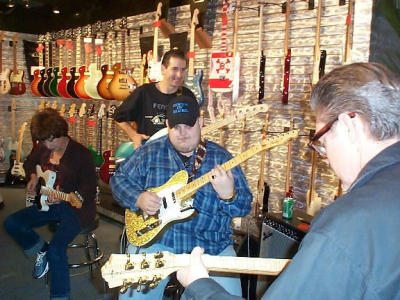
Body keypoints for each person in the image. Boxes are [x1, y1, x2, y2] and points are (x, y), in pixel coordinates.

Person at [176, 62, 400, 299]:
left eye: (322, 144)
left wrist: (199, 285)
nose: (326, 159)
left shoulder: (347, 224)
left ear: (348, 126)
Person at [110, 95, 253, 299]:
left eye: (189, 125)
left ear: (201, 122)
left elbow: (244, 206)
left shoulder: (221, 158)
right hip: (157, 242)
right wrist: (138, 198)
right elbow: (119, 180)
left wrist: (228, 195)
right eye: (176, 126)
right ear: (167, 125)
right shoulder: (150, 152)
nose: (183, 133)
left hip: (211, 246)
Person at [3, 108, 97, 300]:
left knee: (57, 250)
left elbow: (89, 188)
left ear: (61, 133)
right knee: (11, 223)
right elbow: (30, 163)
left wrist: (67, 196)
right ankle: (41, 250)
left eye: (49, 140)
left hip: (76, 209)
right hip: (48, 203)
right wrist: (32, 177)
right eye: (43, 141)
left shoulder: (81, 154)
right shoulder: (44, 147)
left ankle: (60, 296)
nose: (46, 145)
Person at [114, 48, 196, 150]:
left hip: (176, 156)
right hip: (147, 154)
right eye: (174, 69)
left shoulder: (187, 96)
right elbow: (118, 117)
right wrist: (134, 136)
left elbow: (195, 126)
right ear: (163, 69)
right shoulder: (144, 92)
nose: (179, 75)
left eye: (183, 70)